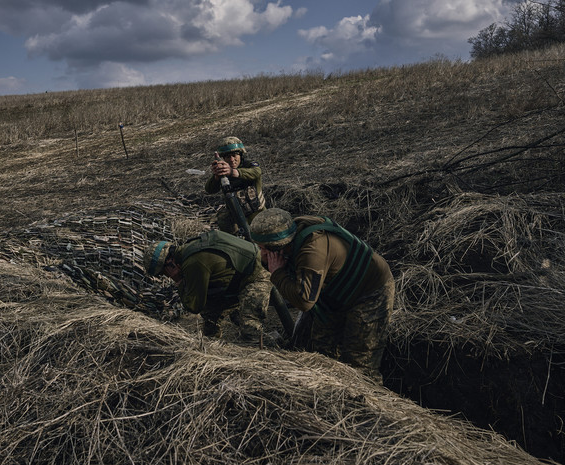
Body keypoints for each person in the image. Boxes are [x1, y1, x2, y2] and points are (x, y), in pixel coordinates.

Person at [250, 208, 395, 381]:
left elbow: (304, 302)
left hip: (369, 291)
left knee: (360, 365)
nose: (260, 253)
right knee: (322, 354)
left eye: (261, 248)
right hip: (334, 293)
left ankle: (368, 403)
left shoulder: (312, 250)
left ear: (277, 248)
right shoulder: (288, 235)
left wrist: (277, 273)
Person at [143, 230, 272, 342]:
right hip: (241, 276)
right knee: (211, 318)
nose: (167, 276)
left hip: (256, 276)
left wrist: (179, 281)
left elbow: (194, 306)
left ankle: (267, 356)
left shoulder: (192, 263)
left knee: (250, 329)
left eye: (164, 273)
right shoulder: (190, 248)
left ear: (169, 263)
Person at [204, 136, 266, 234]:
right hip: (236, 215)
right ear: (223, 158)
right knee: (224, 218)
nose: (232, 160)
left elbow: (256, 172)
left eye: (234, 155)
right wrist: (216, 176)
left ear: (241, 155)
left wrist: (233, 172)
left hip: (257, 213)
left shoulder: (249, 165)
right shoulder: (223, 172)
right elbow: (209, 190)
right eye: (228, 157)